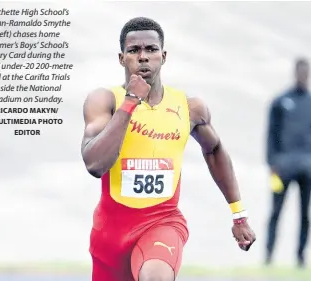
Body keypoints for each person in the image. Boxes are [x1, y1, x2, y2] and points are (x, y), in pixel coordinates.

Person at [80, 17, 256, 281]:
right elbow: (95, 164)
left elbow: (215, 149)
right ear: (121, 58)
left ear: (163, 56)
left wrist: (238, 214)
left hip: (163, 222)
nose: (143, 58)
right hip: (110, 232)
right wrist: (130, 103)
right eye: (134, 51)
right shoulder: (106, 101)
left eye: (151, 50)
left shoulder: (189, 108)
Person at [266, 58, 311, 268]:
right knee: (276, 212)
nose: (303, 76)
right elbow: (270, 135)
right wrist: (272, 163)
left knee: (304, 215)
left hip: (307, 169)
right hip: (281, 169)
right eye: (300, 72)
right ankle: (268, 256)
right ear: (295, 73)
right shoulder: (280, 101)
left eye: (306, 72)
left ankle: (300, 258)